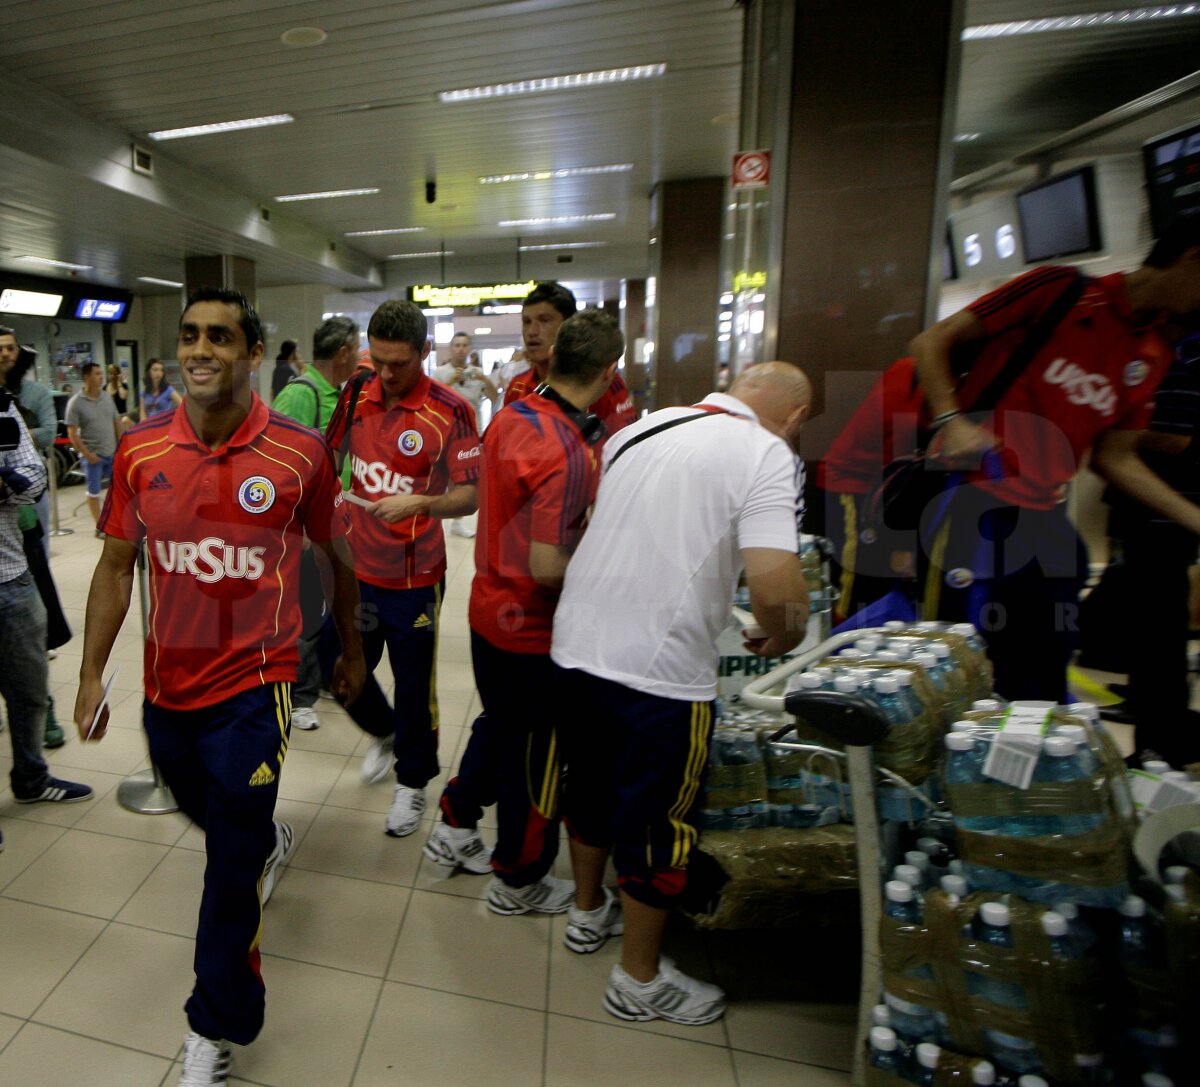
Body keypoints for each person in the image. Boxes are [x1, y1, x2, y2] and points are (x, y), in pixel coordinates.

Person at [72, 287, 365, 1087]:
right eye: (192, 335)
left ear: (253, 353)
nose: (202, 349)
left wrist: (351, 648)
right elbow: (115, 565)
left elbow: (334, 555)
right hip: (169, 687)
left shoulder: (298, 454)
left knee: (228, 865)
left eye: (222, 337)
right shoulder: (139, 450)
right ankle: (261, 837)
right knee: (214, 816)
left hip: (255, 685)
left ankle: (214, 1024)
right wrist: (94, 671)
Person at [551, 361, 812, 1025]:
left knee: (589, 786)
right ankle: (637, 980)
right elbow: (777, 588)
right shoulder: (765, 453)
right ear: (794, 416)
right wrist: (782, 637)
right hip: (659, 673)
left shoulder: (639, 428)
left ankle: (586, 912)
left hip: (577, 643)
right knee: (658, 821)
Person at [910, 221, 1200, 703]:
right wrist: (951, 419)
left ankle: (1026, 766)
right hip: (969, 499)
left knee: (1043, 659)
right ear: (1192, 258)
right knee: (957, 661)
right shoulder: (1060, 290)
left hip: (1043, 516)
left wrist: (1194, 519)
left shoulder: (1150, 353)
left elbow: (1115, 458)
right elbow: (930, 342)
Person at [425, 310, 624, 914]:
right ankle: (518, 876)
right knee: (535, 759)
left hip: (488, 610)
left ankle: (457, 820)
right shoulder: (563, 447)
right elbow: (548, 566)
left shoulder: (513, 416)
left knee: (505, 730)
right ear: (610, 372)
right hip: (532, 626)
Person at [323, 299, 481, 838]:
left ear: (425, 352)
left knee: (415, 687)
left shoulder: (452, 410)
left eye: (400, 364)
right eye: (380, 361)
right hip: (353, 570)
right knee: (338, 667)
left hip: (414, 579)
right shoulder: (355, 392)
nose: (387, 375)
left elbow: (471, 495)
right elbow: (330, 456)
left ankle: (412, 784)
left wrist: (422, 504)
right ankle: (384, 732)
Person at [1, 385, 94, 856]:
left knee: (31, 689)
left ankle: (32, 777)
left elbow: (36, 479)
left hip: (12, 576)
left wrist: (5, 480)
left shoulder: (3, 409)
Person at [1102, 327, 1200, 768]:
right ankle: (1157, 724)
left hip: (1163, 509)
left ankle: (1162, 745)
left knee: (1159, 629)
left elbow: (1178, 436)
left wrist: (1108, 429)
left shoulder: (1182, 350)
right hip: (1155, 510)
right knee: (1153, 627)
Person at [271, 316, 361, 731]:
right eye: (357, 348)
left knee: (327, 605)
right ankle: (298, 697)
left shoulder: (337, 394)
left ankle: (318, 679)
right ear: (342, 352)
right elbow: (282, 462)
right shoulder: (301, 393)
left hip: (331, 520)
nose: (359, 356)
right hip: (304, 527)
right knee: (307, 609)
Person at [817, 357, 926, 623]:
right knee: (852, 581)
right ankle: (836, 650)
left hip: (887, 489)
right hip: (855, 483)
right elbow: (907, 458)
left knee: (876, 584)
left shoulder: (918, 371)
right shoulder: (918, 371)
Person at [503, 283, 637, 435]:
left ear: (569, 326)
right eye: (526, 322)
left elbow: (626, 445)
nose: (532, 331)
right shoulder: (517, 386)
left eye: (545, 320)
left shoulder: (602, 382)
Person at [434, 332, 497, 538]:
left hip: (470, 433)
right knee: (440, 476)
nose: (461, 348)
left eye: (464, 345)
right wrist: (451, 381)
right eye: (457, 345)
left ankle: (457, 522)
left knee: (464, 479)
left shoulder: (477, 372)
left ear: (469, 348)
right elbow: (432, 399)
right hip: (444, 432)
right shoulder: (441, 373)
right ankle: (434, 517)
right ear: (451, 348)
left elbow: (495, 397)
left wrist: (485, 379)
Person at [64, 360, 122, 532]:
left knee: (120, 489)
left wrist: (122, 446)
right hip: (92, 457)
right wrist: (87, 454)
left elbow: (117, 421)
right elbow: (72, 433)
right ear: (86, 377)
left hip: (111, 453)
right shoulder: (75, 402)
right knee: (94, 491)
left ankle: (117, 520)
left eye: (101, 374)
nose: (101, 377)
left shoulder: (107, 397)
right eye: (97, 374)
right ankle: (101, 527)